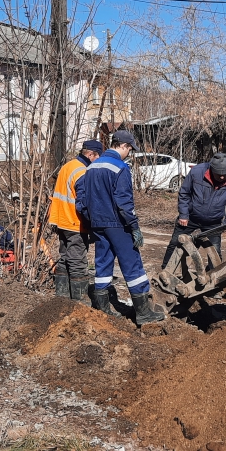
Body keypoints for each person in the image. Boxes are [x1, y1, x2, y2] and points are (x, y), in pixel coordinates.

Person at [83, 130, 165, 325]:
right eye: (129, 149)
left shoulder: (92, 167)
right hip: (117, 224)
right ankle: (144, 313)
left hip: (97, 223)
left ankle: (102, 309)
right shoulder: (119, 167)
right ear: (123, 146)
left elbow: (84, 199)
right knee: (132, 265)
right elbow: (124, 202)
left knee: (102, 264)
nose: (129, 152)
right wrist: (134, 227)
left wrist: (92, 219)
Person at [161, 152, 226, 270]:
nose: (222, 177)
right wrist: (183, 214)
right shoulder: (197, 172)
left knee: (215, 250)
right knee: (175, 243)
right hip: (190, 217)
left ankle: (214, 278)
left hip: (213, 221)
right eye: (219, 174)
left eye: (225, 174)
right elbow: (184, 193)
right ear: (211, 169)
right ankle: (166, 271)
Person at [49, 140, 103, 301]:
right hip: (75, 223)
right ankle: (80, 302)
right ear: (91, 154)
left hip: (61, 220)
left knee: (65, 258)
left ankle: (62, 298)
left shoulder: (68, 166)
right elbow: (83, 203)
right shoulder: (82, 172)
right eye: (97, 157)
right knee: (77, 261)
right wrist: (93, 223)